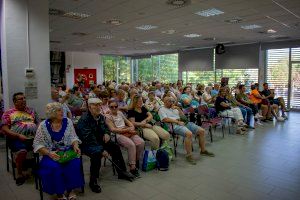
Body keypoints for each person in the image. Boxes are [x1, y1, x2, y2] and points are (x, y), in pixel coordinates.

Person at [76, 98, 135, 193]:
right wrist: (101, 150)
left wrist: (107, 133)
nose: (98, 107)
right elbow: (88, 138)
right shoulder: (84, 120)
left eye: (99, 105)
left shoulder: (101, 117)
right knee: (96, 155)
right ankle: (93, 181)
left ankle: (121, 172)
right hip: (86, 144)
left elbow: (105, 128)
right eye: (94, 105)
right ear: (89, 107)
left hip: (99, 141)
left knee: (115, 147)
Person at [33, 102, 84, 200]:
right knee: (54, 167)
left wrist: (76, 145)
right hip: (50, 153)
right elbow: (37, 144)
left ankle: (71, 190)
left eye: (62, 110)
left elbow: (73, 137)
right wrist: (49, 153)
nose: (62, 112)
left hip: (67, 151)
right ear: (52, 113)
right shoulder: (43, 126)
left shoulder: (68, 122)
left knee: (74, 163)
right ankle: (59, 192)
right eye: (59, 110)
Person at [158, 96, 214, 165]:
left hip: (183, 122)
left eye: (172, 101)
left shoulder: (175, 108)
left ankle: (203, 150)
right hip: (174, 126)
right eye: (169, 101)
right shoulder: (161, 109)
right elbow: (165, 119)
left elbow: (184, 117)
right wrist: (177, 122)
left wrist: (178, 109)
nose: (171, 103)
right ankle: (189, 155)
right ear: (164, 102)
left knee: (201, 131)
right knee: (189, 134)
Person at [1, 92, 39, 185]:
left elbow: (38, 123)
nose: (24, 100)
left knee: (46, 147)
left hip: (33, 138)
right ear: (15, 102)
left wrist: (39, 132)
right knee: (22, 151)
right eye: (20, 99)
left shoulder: (32, 111)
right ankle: (19, 173)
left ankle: (37, 168)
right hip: (16, 138)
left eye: (24, 98)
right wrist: (17, 135)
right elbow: (4, 128)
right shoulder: (8, 113)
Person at [105, 100, 145, 177]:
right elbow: (113, 129)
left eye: (115, 106)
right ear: (109, 107)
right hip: (117, 134)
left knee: (141, 142)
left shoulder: (120, 113)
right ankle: (132, 167)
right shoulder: (108, 117)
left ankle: (135, 161)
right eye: (111, 107)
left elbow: (128, 121)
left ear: (118, 107)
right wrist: (127, 129)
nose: (114, 108)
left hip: (126, 131)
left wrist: (132, 127)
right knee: (131, 145)